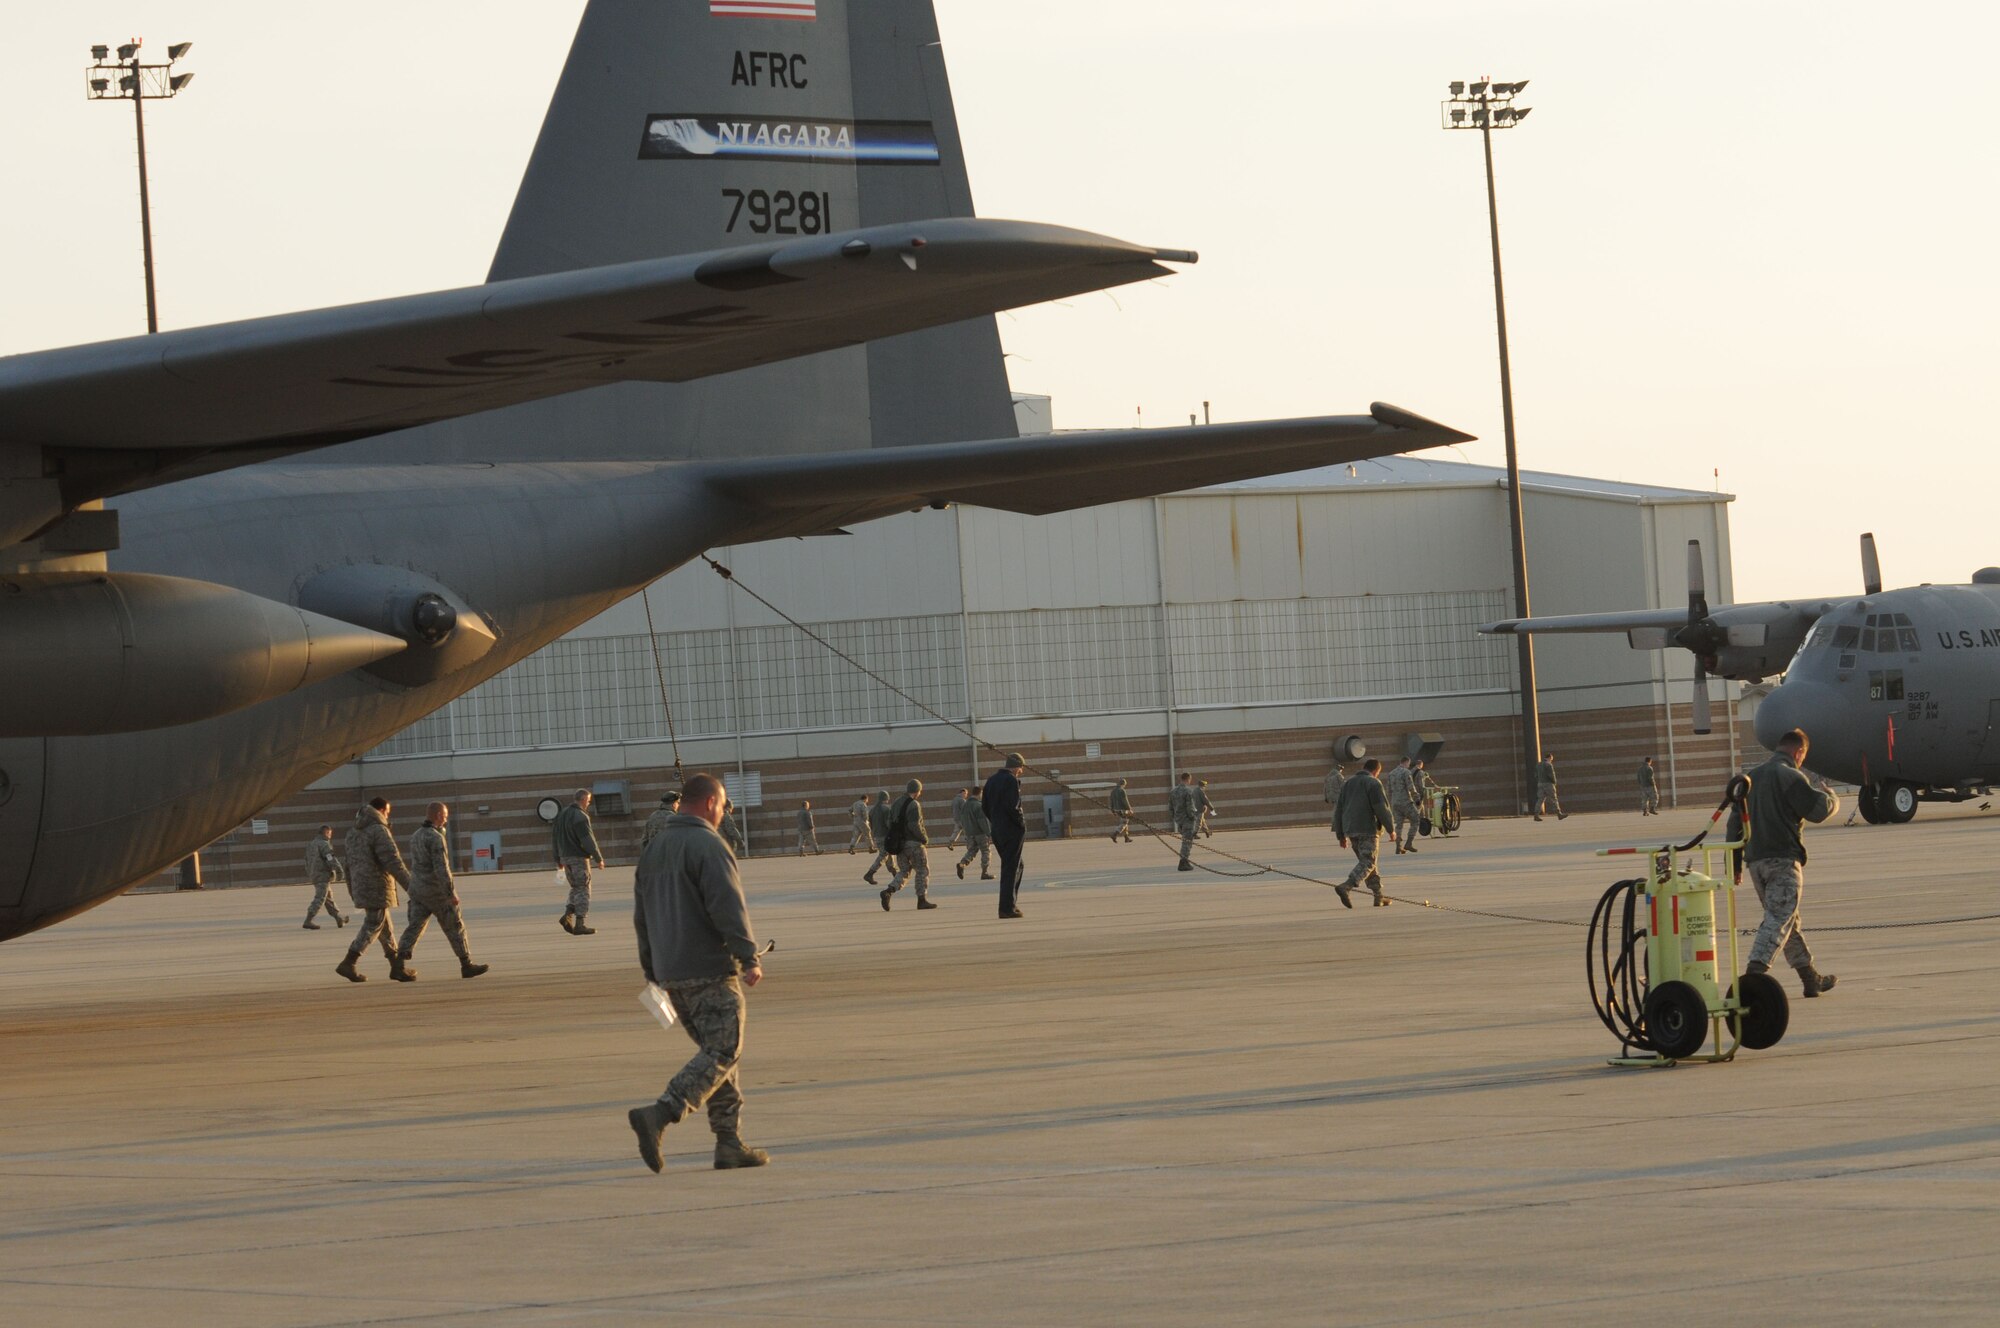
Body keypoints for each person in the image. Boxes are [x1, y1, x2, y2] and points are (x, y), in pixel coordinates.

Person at [626, 771, 770, 1173]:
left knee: (718, 1057)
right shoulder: (709, 844)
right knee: (725, 1050)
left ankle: (728, 1143)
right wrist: (748, 958)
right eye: (723, 806)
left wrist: (652, 970)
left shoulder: (653, 850)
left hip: (671, 973)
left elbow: (642, 917)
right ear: (710, 803)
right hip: (708, 968)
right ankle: (660, 1113)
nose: (723, 814)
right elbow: (728, 906)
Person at [1743, 729, 1840, 998]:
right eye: (1803, 757)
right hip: (1782, 862)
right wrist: (1832, 798)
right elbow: (1818, 811)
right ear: (1799, 752)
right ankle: (1755, 972)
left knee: (1788, 920)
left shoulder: (1751, 777)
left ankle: (1810, 978)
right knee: (1779, 919)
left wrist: (1735, 860)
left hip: (1755, 862)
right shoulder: (1790, 776)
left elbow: (1735, 821)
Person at [399, 802, 489, 979]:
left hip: (418, 890)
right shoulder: (435, 838)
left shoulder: (416, 836)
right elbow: (442, 868)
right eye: (445, 815)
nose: (447, 819)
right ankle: (466, 964)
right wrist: (450, 893)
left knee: (414, 927)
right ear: (438, 815)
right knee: (455, 925)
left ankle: (398, 965)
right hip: (436, 892)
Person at [336, 797, 416, 982]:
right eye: (387, 812)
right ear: (381, 810)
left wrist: (352, 889)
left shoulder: (352, 833)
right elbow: (393, 861)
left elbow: (347, 865)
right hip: (377, 885)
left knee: (385, 927)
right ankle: (349, 961)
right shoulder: (379, 831)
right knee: (374, 924)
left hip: (360, 885)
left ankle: (396, 966)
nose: (388, 816)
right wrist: (412, 887)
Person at [1334, 759, 1395, 908]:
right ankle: (1346, 886)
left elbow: (1339, 810)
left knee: (1368, 864)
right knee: (1368, 862)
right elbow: (1381, 808)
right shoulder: (1373, 783)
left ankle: (1378, 896)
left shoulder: (1348, 784)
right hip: (1368, 828)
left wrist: (1341, 835)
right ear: (1376, 771)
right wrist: (1391, 829)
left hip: (1351, 829)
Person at [982, 753, 1028, 918]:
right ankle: (1006, 908)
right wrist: (1021, 823)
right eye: (1021, 768)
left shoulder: (991, 780)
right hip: (1011, 830)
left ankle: (1011, 903)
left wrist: (995, 821)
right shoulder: (1011, 780)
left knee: (1017, 865)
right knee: (1011, 868)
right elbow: (1013, 806)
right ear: (1016, 766)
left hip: (998, 830)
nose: (1021, 771)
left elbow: (985, 806)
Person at [553, 788, 605, 936]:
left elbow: (554, 838)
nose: (588, 804)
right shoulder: (580, 816)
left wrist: (557, 858)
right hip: (578, 858)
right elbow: (587, 839)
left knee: (575, 887)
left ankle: (568, 914)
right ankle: (580, 923)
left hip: (565, 857)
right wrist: (598, 858)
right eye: (588, 801)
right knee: (583, 889)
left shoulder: (562, 814)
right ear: (583, 800)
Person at [879, 780, 936, 910]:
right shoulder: (914, 804)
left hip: (899, 844)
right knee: (922, 870)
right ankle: (922, 900)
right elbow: (914, 825)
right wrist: (924, 838)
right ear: (917, 791)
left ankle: (889, 891)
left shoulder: (896, 803)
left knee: (904, 871)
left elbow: (889, 822)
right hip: (914, 844)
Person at [302, 824, 348, 929]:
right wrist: (339, 870)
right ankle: (308, 920)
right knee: (320, 898)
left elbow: (306, 860)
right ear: (326, 832)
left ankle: (338, 918)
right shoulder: (323, 844)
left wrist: (310, 872)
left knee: (328, 898)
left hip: (314, 874)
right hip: (322, 875)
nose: (330, 836)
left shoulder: (311, 844)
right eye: (330, 834)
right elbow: (330, 858)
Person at [1386, 757, 1422, 854]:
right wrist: (1417, 798)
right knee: (1415, 819)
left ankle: (1398, 847)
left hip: (1395, 803)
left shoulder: (1391, 773)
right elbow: (1411, 786)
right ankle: (1409, 843)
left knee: (1399, 825)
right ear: (1406, 762)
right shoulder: (1406, 772)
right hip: (1405, 801)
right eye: (1408, 764)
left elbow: (1388, 790)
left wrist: (1391, 802)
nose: (1409, 766)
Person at [957, 786, 994, 880]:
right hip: (980, 833)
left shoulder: (965, 805)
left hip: (969, 833)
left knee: (971, 851)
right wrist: (989, 834)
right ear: (980, 793)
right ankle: (984, 872)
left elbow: (961, 820)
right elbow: (983, 821)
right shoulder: (978, 805)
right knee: (986, 851)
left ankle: (962, 864)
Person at [1168, 772, 1201, 872]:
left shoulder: (1173, 791)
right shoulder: (1188, 791)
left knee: (1185, 840)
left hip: (1179, 820)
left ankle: (1184, 861)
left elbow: (1170, 807)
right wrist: (1193, 817)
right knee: (1187, 841)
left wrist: (1176, 818)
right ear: (1188, 779)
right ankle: (1183, 862)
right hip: (1187, 820)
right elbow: (1190, 807)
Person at [861, 788, 895, 884]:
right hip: (885, 836)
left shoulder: (872, 810)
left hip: (877, 836)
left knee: (888, 854)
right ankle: (870, 873)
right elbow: (888, 824)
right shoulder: (886, 809)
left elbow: (870, 824)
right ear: (885, 798)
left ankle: (895, 875)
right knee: (884, 854)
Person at [1533, 753, 1567, 821]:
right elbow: (1551, 775)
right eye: (1551, 759)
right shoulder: (1548, 765)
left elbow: (1535, 775)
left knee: (1540, 800)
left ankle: (1536, 814)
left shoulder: (1538, 765)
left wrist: (1539, 781)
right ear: (1549, 758)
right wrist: (1554, 782)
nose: (1551, 761)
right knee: (1554, 799)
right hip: (1548, 784)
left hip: (1540, 784)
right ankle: (1559, 813)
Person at [1108, 777, 1133, 843]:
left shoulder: (1113, 791)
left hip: (1116, 809)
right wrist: (1130, 809)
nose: (1124, 786)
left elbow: (1111, 801)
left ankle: (1126, 837)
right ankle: (1114, 834)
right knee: (1124, 823)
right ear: (1123, 784)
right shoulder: (1122, 790)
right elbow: (1125, 801)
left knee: (1124, 822)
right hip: (1123, 810)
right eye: (1125, 785)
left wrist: (1112, 810)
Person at [1323, 764, 1346, 834]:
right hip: (1338, 795)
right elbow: (1344, 785)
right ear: (1339, 769)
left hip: (1330, 796)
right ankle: (1336, 825)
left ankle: (1336, 825)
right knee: (1338, 810)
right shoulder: (1338, 776)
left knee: (1336, 809)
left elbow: (1324, 788)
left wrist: (1326, 797)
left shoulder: (1328, 777)